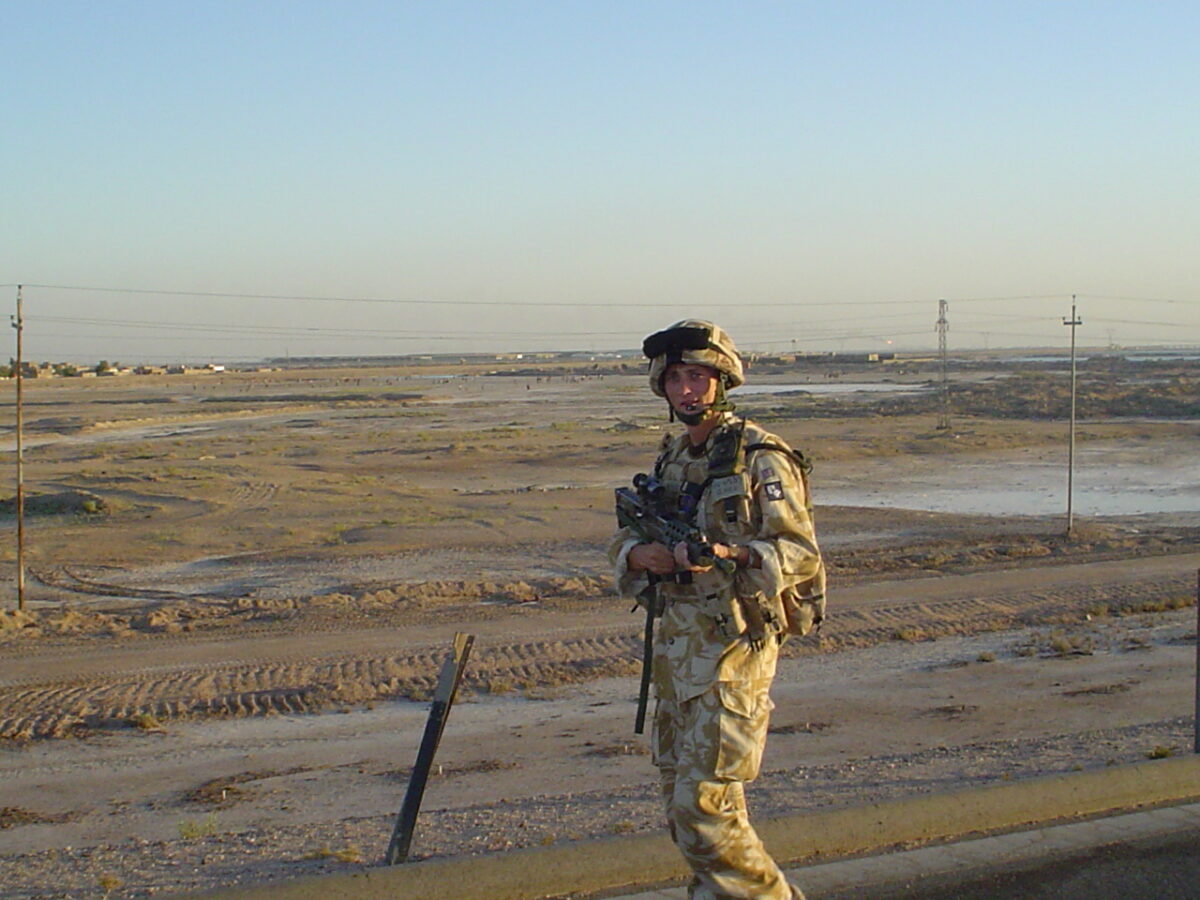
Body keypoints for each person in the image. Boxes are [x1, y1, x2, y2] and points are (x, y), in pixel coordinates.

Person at [609, 320, 826, 900]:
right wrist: (641, 555)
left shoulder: (761, 456)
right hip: (677, 654)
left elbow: (800, 554)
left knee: (708, 817)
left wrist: (730, 553)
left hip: (732, 654)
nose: (687, 389)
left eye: (698, 376)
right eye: (676, 378)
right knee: (682, 813)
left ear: (721, 380)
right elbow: (624, 537)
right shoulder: (673, 456)